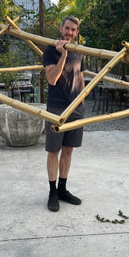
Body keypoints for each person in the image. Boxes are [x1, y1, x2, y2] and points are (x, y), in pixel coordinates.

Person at [43, 16, 86, 212]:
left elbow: (81, 78)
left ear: (77, 32)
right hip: (57, 108)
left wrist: (82, 102)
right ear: (61, 29)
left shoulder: (80, 52)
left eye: (73, 30)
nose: (69, 32)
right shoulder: (50, 50)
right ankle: (52, 192)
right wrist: (63, 55)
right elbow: (52, 79)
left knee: (68, 150)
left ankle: (62, 189)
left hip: (76, 108)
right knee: (54, 151)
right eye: (67, 28)